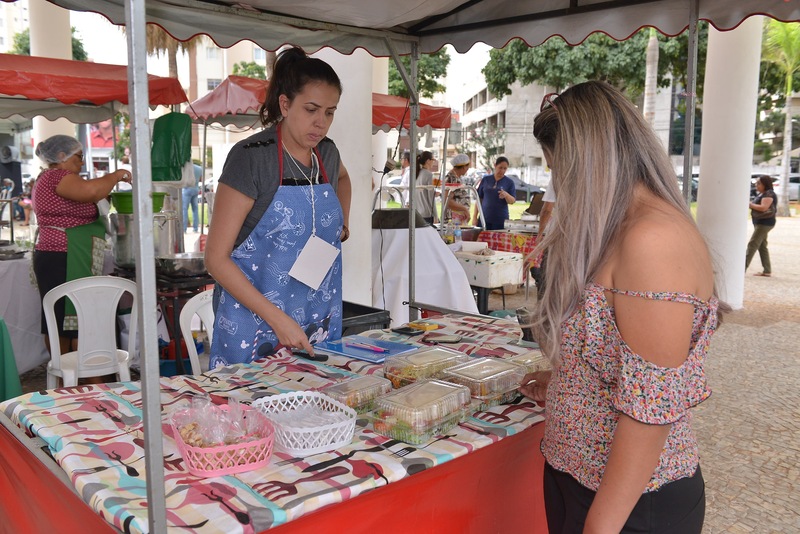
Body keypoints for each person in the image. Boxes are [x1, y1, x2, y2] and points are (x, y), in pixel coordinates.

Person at [520, 81, 724, 533]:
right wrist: (570, 380)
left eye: (560, 170)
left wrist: (601, 525)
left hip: (630, 504)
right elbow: (625, 354)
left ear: (589, 161)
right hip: (579, 479)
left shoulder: (653, 239)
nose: (560, 186)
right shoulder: (617, 228)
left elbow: (651, 410)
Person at [205, 46, 351, 368]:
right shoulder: (252, 158)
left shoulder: (326, 153)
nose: (321, 123)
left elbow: (343, 179)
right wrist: (278, 319)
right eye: (311, 109)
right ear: (285, 104)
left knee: (313, 391)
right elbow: (215, 259)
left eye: (329, 112)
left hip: (314, 309)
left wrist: (342, 224)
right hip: (251, 318)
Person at [31, 135, 132, 357]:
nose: (82, 162)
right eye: (78, 156)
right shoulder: (56, 176)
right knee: (61, 316)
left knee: (74, 314)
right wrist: (116, 175)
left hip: (70, 254)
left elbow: (89, 195)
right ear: (61, 156)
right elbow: (91, 192)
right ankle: (63, 367)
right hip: (61, 256)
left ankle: (77, 367)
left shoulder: (56, 178)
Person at [745, 174, 777, 277]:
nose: (756, 185)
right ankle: (767, 270)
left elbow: (763, 207)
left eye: (759, 183)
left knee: (753, 244)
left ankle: (742, 268)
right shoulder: (762, 194)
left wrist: (749, 204)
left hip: (765, 223)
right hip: (760, 222)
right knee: (762, 246)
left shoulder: (768, 194)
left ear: (765, 184)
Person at [473, 156, 515, 230]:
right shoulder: (486, 180)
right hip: (484, 219)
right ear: (495, 166)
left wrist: (506, 195)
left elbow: (512, 201)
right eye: (500, 168)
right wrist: (474, 217)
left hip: (500, 220)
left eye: (505, 168)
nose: (502, 171)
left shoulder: (509, 182)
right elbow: (479, 200)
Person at [443, 153, 471, 224]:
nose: (467, 169)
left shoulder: (456, 177)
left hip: (458, 220)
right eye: (468, 166)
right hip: (453, 221)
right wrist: (465, 209)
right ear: (464, 167)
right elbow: (447, 201)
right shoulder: (451, 178)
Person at [413, 150, 436, 224]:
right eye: (433, 160)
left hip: (417, 212)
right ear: (428, 161)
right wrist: (435, 215)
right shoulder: (428, 175)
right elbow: (431, 198)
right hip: (427, 214)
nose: (434, 162)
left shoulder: (417, 173)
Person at [182, 163, 201, 233]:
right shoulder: (199, 168)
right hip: (195, 189)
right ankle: (195, 228)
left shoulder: (186, 168)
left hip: (187, 189)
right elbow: (201, 179)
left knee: (184, 209)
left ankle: (184, 228)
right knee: (195, 209)